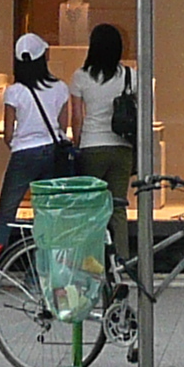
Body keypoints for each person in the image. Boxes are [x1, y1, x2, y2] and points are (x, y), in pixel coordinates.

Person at [0, 34, 73, 292]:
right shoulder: (60, 88)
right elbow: (63, 128)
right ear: (44, 57)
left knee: (5, 215)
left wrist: (21, 144)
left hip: (22, 155)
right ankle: (38, 276)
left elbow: (8, 134)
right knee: (47, 217)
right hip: (52, 153)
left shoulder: (14, 91)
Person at [70, 22, 141, 237]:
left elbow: (77, 117)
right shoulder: (131, 75)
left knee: (90, 207)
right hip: (122, 149)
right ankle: (121, 262)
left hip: (92, 146)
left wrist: (77, 144)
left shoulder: (81, 76)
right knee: (118, 208)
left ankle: (92, 259)